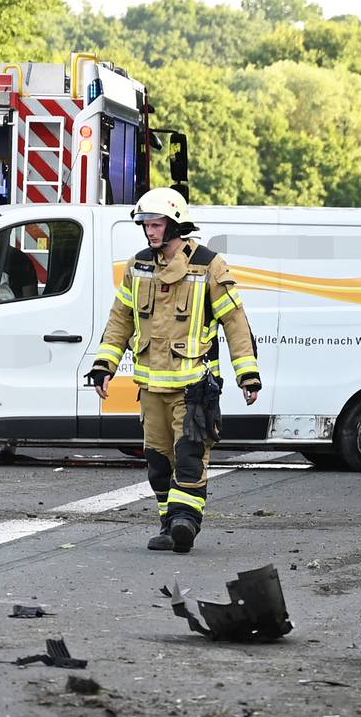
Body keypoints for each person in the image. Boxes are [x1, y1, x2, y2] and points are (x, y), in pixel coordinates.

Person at [85, 188, 261, 553]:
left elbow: (235, 322)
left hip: (193, 388)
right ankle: (168, 524)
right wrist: (104, 365)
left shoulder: (209, 266)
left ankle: (185, 521)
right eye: (146, 225)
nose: (149, 232)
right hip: (150, 387)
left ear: (175, 224)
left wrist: (248, 374)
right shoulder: (138, 267)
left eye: (156, 224)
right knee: (157, 462)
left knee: (190, 457)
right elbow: (120, 321)